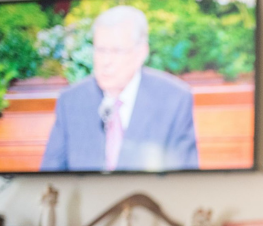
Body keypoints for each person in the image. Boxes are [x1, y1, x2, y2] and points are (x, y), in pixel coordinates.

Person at [40, 6, 198, 172]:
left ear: (141, 53)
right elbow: (50, 177)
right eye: (101, 50)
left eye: (116, 51)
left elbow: (184, 180)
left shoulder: (174, 100)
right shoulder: (71, 101)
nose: (106, 61)